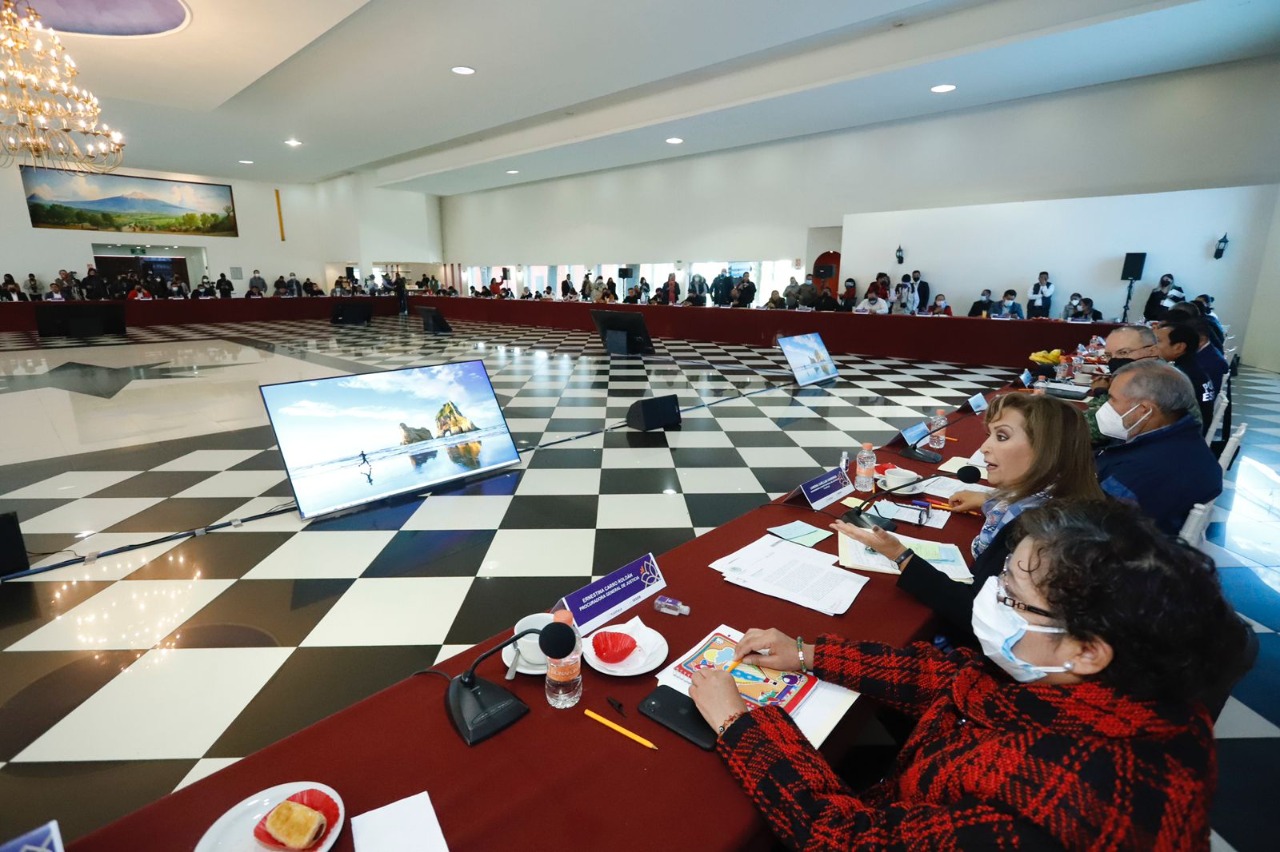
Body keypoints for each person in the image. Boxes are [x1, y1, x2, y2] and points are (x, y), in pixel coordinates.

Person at [690, 498, 1249, 850]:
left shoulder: (1058, 807)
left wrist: (740, 724)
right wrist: (809, 654)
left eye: (1013, 597)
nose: (990, 599)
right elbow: (953, 680)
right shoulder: (1107, 685)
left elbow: (842, 838)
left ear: (1087, 651)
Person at [837, 392, 1102, 642]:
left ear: (1046, 449)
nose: (984, 447)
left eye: (1002, 437)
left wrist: (900, 556)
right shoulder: (1061, 497)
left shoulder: (1038, 536)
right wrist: (987, 500)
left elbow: (978, 615)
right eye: (989, 435)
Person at [1094, 360, 1222, 534]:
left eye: (1112, 399)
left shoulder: (1145, 470)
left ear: (1144, 410)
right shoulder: (1180, 438)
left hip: (1121, 541)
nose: (1106, 406)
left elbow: (1096, 522)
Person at [1084, 325, 1162, 445]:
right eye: (1109, 355)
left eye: (1123, 352)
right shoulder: (1151, 372)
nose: (1115, 360)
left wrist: (1100, 392)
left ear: (1152, 351)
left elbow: (1089, 429)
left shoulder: (1152, 384)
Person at [1155, 323, 1215, 430]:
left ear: (1179, 347)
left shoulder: (1179, 375)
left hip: (1191, 431)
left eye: (1158, 341)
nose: (1153, 347)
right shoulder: (1193, 365)